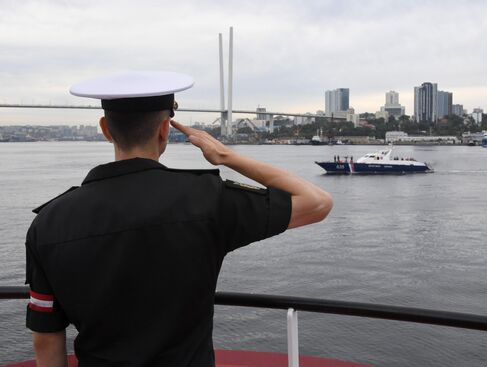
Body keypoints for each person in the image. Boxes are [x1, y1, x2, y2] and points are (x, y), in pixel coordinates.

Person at [25, 71, 333, 367]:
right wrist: (226, 157)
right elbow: (317, 202)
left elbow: (47, 339)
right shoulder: (208, 200)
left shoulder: (49, 223)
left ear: (105, 129)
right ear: (164, 129)